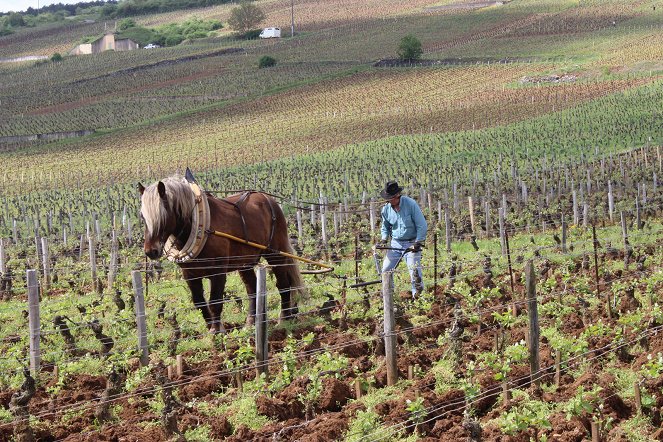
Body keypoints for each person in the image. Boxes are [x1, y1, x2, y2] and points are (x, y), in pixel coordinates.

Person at [378, 180, 428, 297]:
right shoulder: (386, 209)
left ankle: (418, 297)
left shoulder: (411, 204)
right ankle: (388, 296)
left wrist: (418, 242)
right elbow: (385, 226)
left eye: (390, 198)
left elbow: (422, 225)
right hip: (395, 244)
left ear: (397, 196)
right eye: (387, 198)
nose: (388, 201)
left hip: (411, 243)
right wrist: (384, 239)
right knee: (386, 270)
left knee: (414, 271)